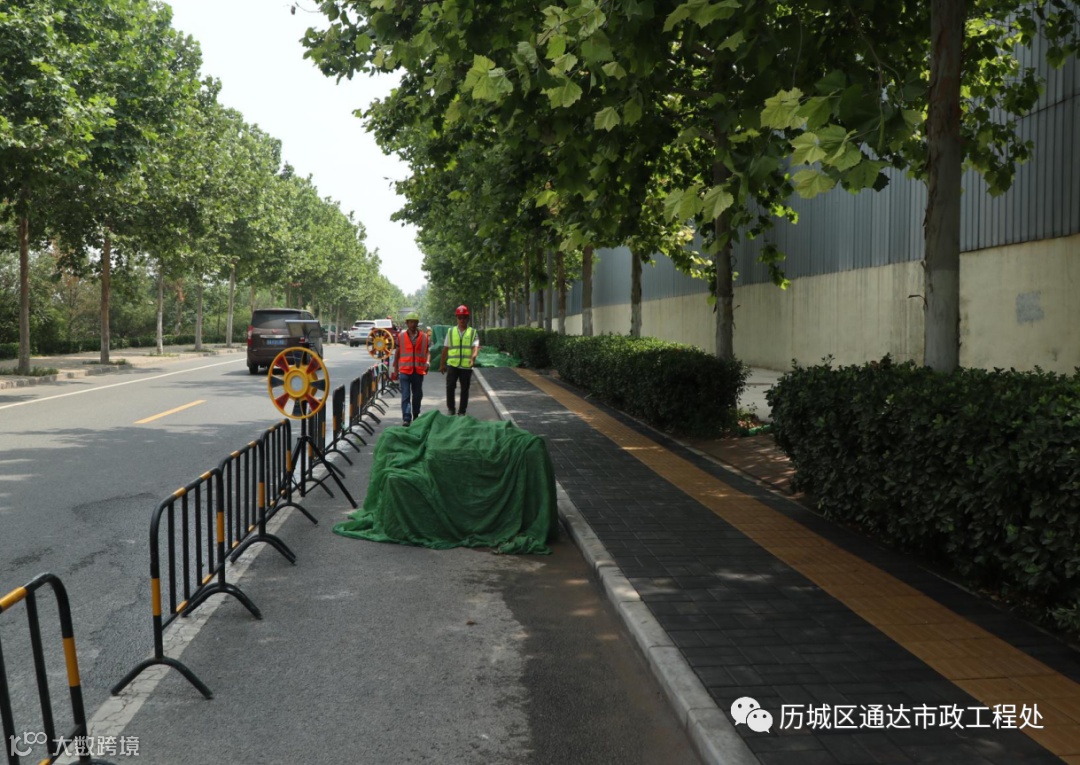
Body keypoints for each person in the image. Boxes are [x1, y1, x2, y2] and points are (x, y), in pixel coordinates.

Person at [440, 304, 479, 416]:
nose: (462, 320)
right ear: (456, 318)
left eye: (464, 317)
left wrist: (473, 358)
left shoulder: (473, 332)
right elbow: (445, 349)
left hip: (466, 366)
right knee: (450, 386)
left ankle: (462, 411)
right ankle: (451, 408)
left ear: (468, 318)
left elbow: (475, 348)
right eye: (460, 317)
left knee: (465, 389)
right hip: (452, 365)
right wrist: (442, 364)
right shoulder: (450, 331)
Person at [393, 311, 430, 426]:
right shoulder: (401, 337)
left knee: (417, 395)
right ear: (407, 323)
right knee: (405, 395)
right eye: (410, 322)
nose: (412, 324)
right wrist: (395, 369)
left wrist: (427, 362)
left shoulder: (424, 337)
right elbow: (397, 353)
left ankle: (416, 415)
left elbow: (427, 351)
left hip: (418, 371)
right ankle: (406, 418)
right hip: (405, 370)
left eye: (414, 322)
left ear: (417, 323)